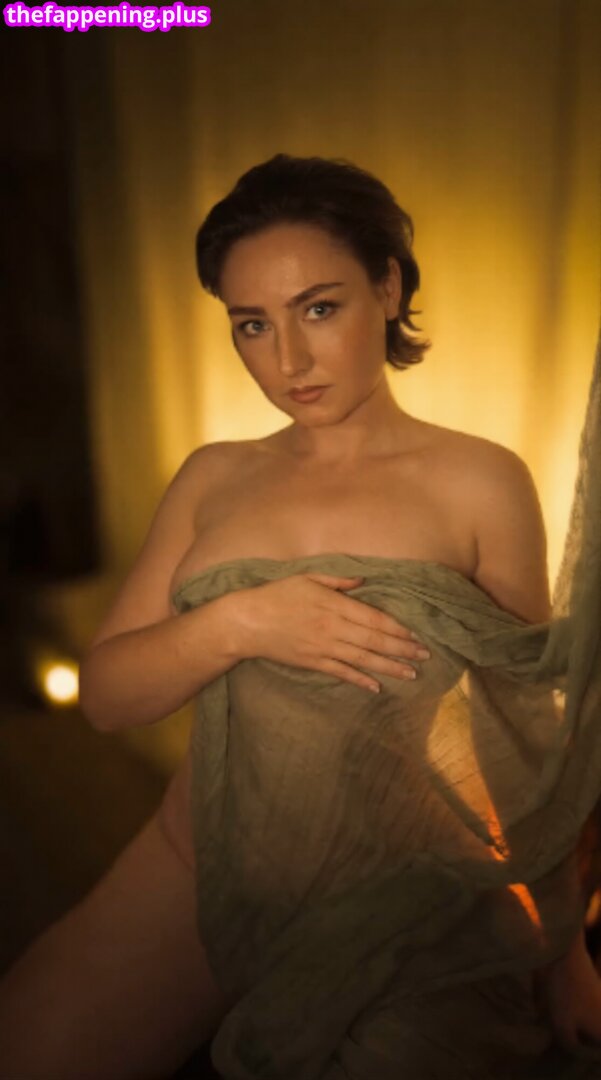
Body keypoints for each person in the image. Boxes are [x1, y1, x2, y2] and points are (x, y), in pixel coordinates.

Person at [1, 153, 600, 1079]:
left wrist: (562, 955)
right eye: (252, 324)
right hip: (195, 860)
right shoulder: (213, 475)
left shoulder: (480, 479)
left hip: (390, 879)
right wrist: (238, 625)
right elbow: (109, 697)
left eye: (318, 309)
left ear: (387, 288)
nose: (286, 361)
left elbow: (519, 740)